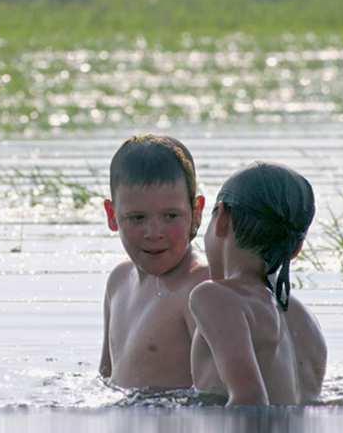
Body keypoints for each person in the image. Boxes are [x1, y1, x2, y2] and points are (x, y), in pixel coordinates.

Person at [190, 161, 327, 406]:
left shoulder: (214, 297)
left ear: (221, 217)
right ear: (296, 249)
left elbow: (250, 400)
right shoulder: (306, 322)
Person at [99, 134, 208, 390]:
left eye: (171, 216)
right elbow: (105, 378)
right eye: (137, 218)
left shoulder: (201, 289)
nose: (154, 232)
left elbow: (223, 392)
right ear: (112, 215)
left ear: (197, 212)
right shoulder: (118, 282)